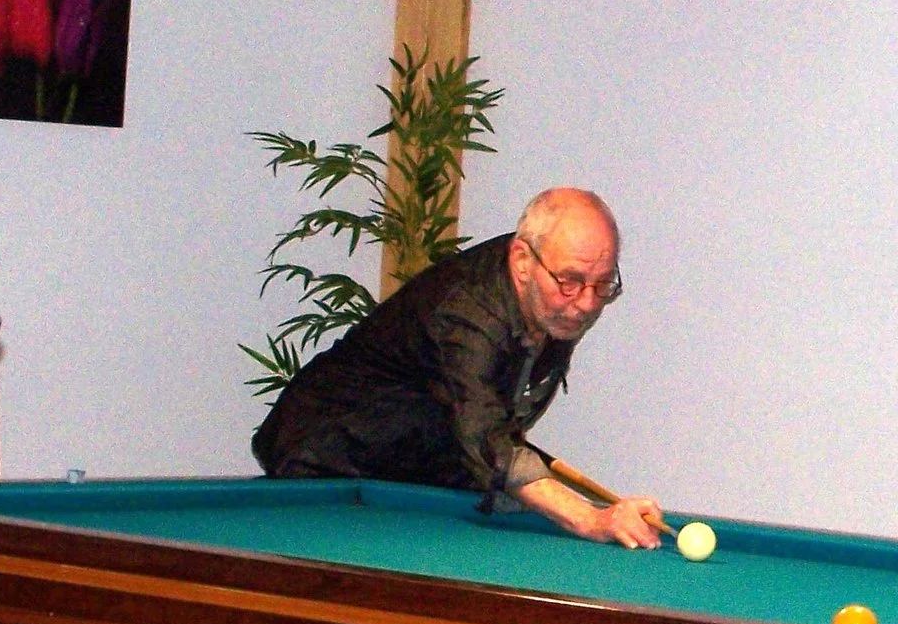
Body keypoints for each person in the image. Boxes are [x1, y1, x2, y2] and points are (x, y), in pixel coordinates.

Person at [253, 187, 667, 548]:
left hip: (406, 468)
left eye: (602, 284)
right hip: (324, 463)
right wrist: (590, 517)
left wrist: (589, 509)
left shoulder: (553, 295)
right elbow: (486, 435)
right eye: (571, 282)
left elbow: (491, 429)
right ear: (523, 260)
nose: (587, 303)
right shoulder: (467, 314)